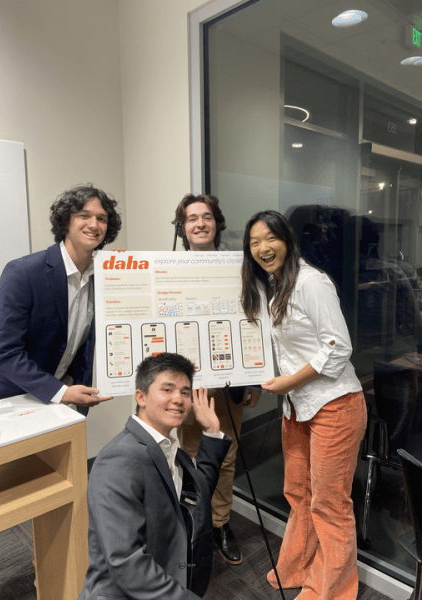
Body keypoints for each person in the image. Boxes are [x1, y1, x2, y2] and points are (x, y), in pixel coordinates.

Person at [0, 184, 121, 600]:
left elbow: (93, 341)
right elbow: (4, 354)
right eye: (84, 216)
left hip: (57, 410)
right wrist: (61, 392)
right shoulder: (24, 271)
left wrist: (98, 384)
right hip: (3, 405)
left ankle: (54, 583)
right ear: (66, 222)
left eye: (102, 218)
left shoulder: (106, 275)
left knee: (58, 501)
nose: (94, 224)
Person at [241, 210, 366, 600]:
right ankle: (298, 567)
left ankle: (333, 590)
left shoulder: (312, 282)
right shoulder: (272, 285)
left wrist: (288, 383)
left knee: (330, 503)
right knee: (299, 494)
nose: (263, 248)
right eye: (254, 242)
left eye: (270, 238)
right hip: (296, 408)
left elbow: (339, 346)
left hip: (335, 404)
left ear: (287, 239)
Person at [78, 352, 231, 600]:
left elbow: (197, 496)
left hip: (165, 580)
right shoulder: (119, 459)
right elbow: (127, 563)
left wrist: (212, 432)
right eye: (167, 389)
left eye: (184, 392)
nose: (178, 399)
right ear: (141, 397)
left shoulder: (170, 447)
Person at [172, 193, 254, 565]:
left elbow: (253, 322)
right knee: (192, 452)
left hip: (230, 379)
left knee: (227, 454)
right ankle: (195, 522)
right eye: (192, 218)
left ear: (217, 224)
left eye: (207, 217)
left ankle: (220, 522)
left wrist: (252, 378)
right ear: (182, 227)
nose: (200, 223)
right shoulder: (167, 269)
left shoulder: (241, 268)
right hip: (189, 382)